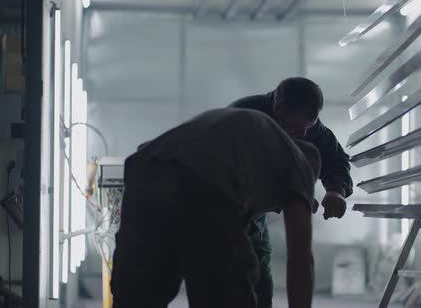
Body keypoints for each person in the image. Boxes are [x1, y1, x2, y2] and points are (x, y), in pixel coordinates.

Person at [110, 108, 320, 308]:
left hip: (145, 170)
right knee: (226, 294)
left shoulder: (257, 146)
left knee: (138, 294)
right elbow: (301, 258)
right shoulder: (300, 162)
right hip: (205, 178)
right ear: (310, 167)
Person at [230, 77, 353, 308]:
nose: (299, 134)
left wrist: (336, 190)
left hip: (251, 212)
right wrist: (294, 195)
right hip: (205, 199)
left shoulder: (309, 129)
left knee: (258, 283)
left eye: (305, 129)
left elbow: (336, 159)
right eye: (292, 128)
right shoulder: (242, 118)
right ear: (277, 106)